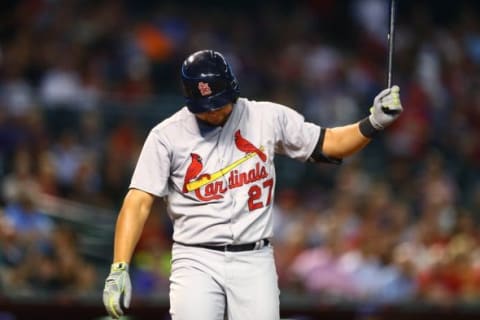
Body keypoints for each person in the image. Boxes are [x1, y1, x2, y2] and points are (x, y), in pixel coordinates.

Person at [102, 49, 403, 320]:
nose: (212, 111)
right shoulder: (166, 135)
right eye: (203, 106)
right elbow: (137, 202)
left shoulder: (266, 118)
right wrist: (119, 267)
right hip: (196, 259)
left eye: (217, 103)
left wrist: (373, 122)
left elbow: (329, 144)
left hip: (253, 258)